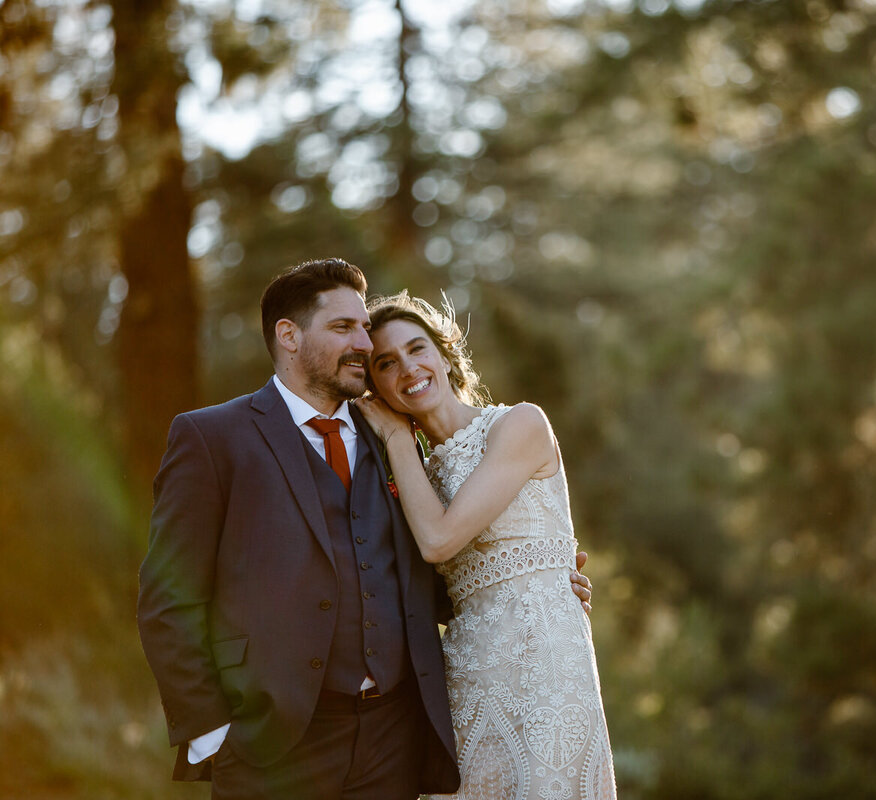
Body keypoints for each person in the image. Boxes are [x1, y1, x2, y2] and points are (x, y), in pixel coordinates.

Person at [136, 258, 592, 800]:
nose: (362, 341)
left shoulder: (395, 442)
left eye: (362, 328)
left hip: (393, 743)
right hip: (271, 746)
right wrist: (212, 735)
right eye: (343, 327)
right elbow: (169, 601)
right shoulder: (213, 438)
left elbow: (414, 577)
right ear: (288, 335)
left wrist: (531, 585)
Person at [355, 291, 618, 800]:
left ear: (445, 352)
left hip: (547, 665)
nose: (409, 369)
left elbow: (437, 539)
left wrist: (395, 439)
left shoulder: (519, 424)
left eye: (418, 348)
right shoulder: (409, 477)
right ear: (375, 388)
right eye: (386, 363)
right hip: (466, 676)